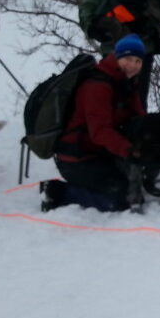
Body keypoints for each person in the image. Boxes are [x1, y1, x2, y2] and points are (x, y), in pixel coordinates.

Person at [41, 34, 148, 212]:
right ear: (117, 57)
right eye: (128, 58)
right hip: (77, 158)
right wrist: (129, 150)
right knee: (121, 198)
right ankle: (57, 191)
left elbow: (138, 117)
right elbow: (99, 131)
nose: (133, 65)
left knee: (135, 186)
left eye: (138, 61)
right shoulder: (97, 85)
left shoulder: (125, 82)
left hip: (100, 153)